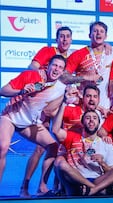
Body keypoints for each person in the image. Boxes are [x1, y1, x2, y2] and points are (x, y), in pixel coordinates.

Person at [19, 26, 74, 197]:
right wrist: (44, 78)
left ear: (71, 39)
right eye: (61, 36)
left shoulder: (72, 56)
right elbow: (32, 67)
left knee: (59, 147)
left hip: (59, 106)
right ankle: (25, 186)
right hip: (42, 105)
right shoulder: (48, 50)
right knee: (40, 149)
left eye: (67, 37)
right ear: (57, 38)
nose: (64, 39)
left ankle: (46, 185)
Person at [0, 55, 67, 188]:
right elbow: (2, 91)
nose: (56, 69)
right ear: (48, 66)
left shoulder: (60, 87)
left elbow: (49, 111)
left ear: (63, 71)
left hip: (30, 123)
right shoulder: (31, 75)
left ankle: (40, 186)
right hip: (10, 117)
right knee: (2, 147)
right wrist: (21, 91)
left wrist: (66, 101)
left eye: (60, 67)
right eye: (54, 65)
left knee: (53, 146)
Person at [52, 108, 113, 196]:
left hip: (98, 180)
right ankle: (92, 187)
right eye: (88, 118)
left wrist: (102, 163)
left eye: (94, 118)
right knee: (59, 162)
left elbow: (111, 171)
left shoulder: (106, 143)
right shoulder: (73, 138)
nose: (91, 120)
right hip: (77, 180)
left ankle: (94, 189)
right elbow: (55, 131)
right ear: (82, 123)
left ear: (98, 123)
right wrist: (64, 103)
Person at [62, 21, 113, 113]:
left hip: (106, 107)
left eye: (101, 31)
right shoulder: (78, 54)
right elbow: (63, 77)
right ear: (89, 35)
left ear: (106, 36)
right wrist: (85, 77)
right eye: (95, 31)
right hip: (83, 107)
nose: (98, 33)